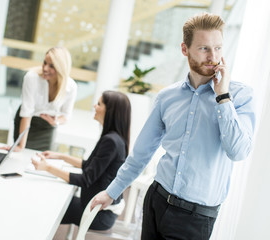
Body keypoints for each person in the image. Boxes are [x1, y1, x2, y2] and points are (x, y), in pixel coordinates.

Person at [91, 12, 256, 239]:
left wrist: (223, 97)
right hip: (157, 200)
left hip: (196, 217)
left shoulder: (240, 96)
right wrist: (112, 192)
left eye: (218, 48)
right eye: (204, 48)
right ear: (184, 49)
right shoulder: (167, 97)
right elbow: (141, 152)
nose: (213, 56)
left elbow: (238, 152)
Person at [32, 90, 131, 230]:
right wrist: (60, 156)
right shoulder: (114, 138)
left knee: (43, 205)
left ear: (110, 111)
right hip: (96, 209)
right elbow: (89, 166)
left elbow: (85, 179)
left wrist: (47, 168)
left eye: (99, 104)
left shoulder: (111, 141)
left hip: (98, 215)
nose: (94, 106)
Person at [13, 46, 77, 152]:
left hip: (47, 128)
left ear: (61, 68)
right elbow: (26, 113)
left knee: (42, 159)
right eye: (44, 63)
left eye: (51, 66)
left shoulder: (71, 87)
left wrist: (55, 121)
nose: (45, 68)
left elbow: (66, 116)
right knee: (20, 154)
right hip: (26, 122)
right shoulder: (31, 78)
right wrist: (21, 146)